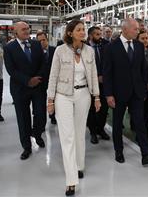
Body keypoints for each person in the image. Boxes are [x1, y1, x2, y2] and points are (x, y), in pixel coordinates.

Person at [47, 20, 101, 196]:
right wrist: (50, 100)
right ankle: (71, 180)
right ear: (70, 33)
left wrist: (97, 96)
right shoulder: (60, 51)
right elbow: (53, 76)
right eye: (79, 30)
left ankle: (79, 165)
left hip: (83, 95)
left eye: (84, 29)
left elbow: (93, 75)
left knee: (79, 133)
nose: (83, 32)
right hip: (63, 96)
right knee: (67, 136)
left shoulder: (89, 51)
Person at [103, 18, 148, 165]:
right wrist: (108, 94)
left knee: (140, 123)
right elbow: (107, 73)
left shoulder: (139, 46)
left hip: (136, 93)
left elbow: (142, 70)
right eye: (135, 29)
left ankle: (146, 154)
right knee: (117, 123)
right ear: (125, 29)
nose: (138, 31)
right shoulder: (111, 48)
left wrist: (142, 90)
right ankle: (119, 151)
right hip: (118, 93)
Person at [4, 21, 47, 160]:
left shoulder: (35, 44)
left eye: (28, 29)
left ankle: (37, 134)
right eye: (23, 29)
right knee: (23, 118)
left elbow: (43, 63)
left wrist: (37, 78)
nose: (27, 31)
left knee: (40, 114)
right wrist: (28, 80)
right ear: (15, 32)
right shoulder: (9, 48)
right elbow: (11, 69)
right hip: (20, 88)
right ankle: (26, 146)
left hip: (38, 86)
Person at [86, 26, 110, 144]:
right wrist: (95, 77)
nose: (100, 36)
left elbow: (109, 62)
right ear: (90, 36)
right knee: (92, 109)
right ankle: (93, 132)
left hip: (104, 83)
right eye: (97, 34)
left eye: (100, 34)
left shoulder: (105, 45)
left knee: (104, 108)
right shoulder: (83, 47)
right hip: (89, 83)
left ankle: (101, 129)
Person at [36, 31, 57, 125]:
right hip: (40, 81)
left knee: (54, 100)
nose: (42, 42)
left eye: (43, 40)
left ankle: (53, 116)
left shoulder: (55, 50)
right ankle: (42, 123)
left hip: (53, 80)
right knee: (40, 103)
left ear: (47, 40)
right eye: (39, 41)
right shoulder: (35, 53)